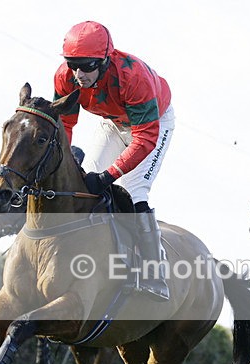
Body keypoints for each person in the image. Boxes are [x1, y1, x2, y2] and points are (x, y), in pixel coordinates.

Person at [54, 21, 174, 301]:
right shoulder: (65, 77)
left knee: (133, 191)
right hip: (113, 122)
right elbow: (65, 125)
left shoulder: (134, 78)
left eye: (86, 66)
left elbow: (144, 139)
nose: (79, 75)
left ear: (105, 60)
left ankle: (154, 271)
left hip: (153, 122)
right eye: (73, 65)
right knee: (84, 185)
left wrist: (109, 176)